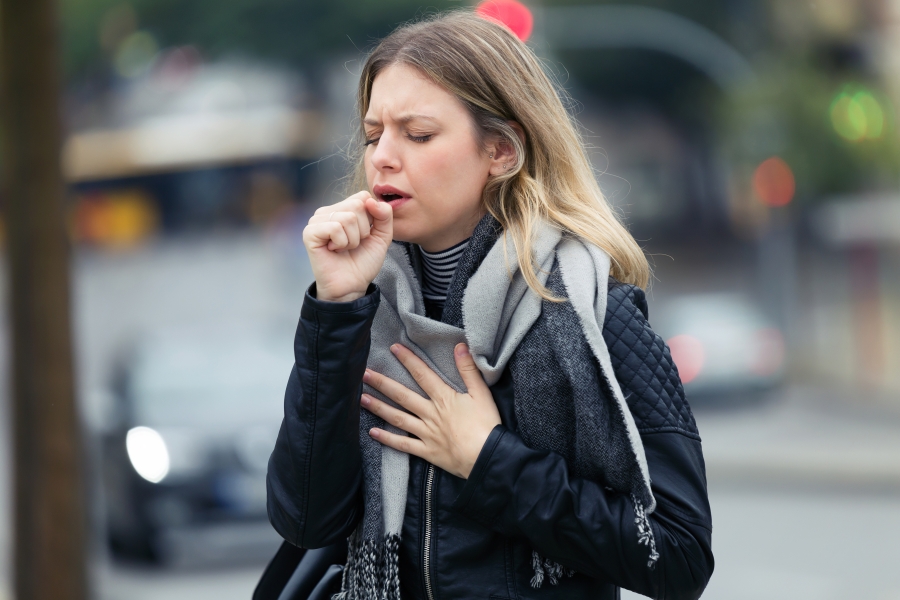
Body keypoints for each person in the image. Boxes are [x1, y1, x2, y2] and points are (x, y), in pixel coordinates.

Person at [267, 10, 713, 600]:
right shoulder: (360, 316)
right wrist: (335, 305)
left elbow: (678, 556)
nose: (382, 157)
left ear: (501, 151)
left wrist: (488, 459)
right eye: (374, 135)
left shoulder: (596, 316)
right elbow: (304, 521)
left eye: (418, 134)